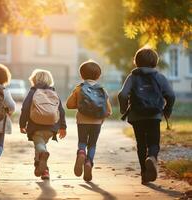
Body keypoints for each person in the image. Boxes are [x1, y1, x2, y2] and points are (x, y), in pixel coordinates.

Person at [118, 47, 175, 184]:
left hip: (137, 115)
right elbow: (171, 95)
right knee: (153, 142)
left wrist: (123, 108)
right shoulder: (159, 77)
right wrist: (167, 110)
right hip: (154, 115)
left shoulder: (132, 77)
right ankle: (152, 157)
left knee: (141, 144)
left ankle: (144, 173)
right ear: (155, 62)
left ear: (136, 61)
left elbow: (123, 94)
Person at [66, 60, 112, 182]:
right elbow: (109, 111)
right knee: (92, 144)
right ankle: (89, 162)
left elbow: (69, 105)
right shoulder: (102, 89)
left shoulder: (79, 88)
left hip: (82, 120)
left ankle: (81, 153)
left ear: (81, 75)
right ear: (98, 75)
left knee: (82, 141)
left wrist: (80, 104)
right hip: (97, 122)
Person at [19, 69, 67, 180]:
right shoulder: (53, 92)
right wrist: (62, 127)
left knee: (40, 146)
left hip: (36, 126)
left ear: (34, 80)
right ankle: (43, 170)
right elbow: (61, 110)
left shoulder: (33, 92)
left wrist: (22, 124)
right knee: (41, 143)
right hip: (51, 126)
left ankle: (42, 155)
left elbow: (25, 108)